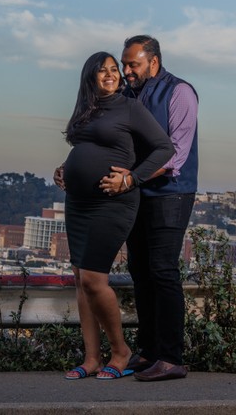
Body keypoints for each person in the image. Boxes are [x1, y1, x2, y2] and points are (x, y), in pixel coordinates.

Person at [54, 51, 174, 380]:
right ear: (90, 77)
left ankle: (120, 351)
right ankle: (91, 358)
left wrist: (132, 178)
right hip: (78, 202)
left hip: (112, 202)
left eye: (113, 69)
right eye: (102, 70)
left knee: (94, 280)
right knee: (80, 278)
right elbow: (85, 148)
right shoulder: (87, 108)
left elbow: (165, 148)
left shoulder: (130, 107)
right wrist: (65, 168)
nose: (111, 74)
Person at [99, 35, 198, 381]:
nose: (126, 71)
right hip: (137, 193)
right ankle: (150, 351)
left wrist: (131, 178)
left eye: (133, 64)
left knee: (163, 270)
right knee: (140, 271)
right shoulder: (128, 95)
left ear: (153, 62)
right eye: (124, 64)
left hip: (171, 194)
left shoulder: (180, 92)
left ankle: (171, 358)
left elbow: (176, 155)